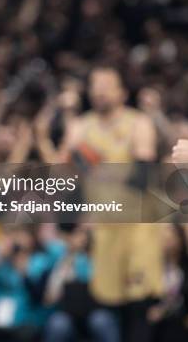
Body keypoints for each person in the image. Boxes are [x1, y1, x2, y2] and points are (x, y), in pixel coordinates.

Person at [58, 66, 163, 342]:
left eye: (107, 84)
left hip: (137, 227)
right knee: (107, 304)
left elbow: (141, 176)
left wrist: (93, 163)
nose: (101, 90)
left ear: (122, 92)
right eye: (95, 84)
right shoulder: (81, 125)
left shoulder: (138, 123)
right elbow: (63, 172)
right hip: (103, 228)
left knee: (139, 305)